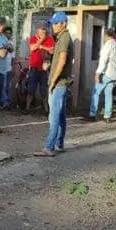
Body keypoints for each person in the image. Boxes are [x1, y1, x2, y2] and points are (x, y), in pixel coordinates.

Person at [35, 12, 74, 157]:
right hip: (61, 83)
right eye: (53, 23)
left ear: (63, 23)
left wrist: (52, 82)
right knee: (61, 115)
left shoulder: (64, 38)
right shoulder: (62, 37)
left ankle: (49, 147)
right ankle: (59, 144)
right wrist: (50, 66)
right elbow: (59, 60)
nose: (53, 26)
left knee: (54, 116)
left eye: (55, 23)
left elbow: (62, 61)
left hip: (58, 84)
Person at [87, 28, 116, 123]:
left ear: (106, 35)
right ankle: (107, 116)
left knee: (96, 92)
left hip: (105, 73)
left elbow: (103, 60)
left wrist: (98, 73)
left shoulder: (107, 45)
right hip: (113, 74)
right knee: (108, 94)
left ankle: (92, 114)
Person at [26, 22, 55, 113]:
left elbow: (52, 51)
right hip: (34, 67)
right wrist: (41, 40)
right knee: (31, 88)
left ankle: (46, 109)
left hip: (44, 68)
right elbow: (32, 48)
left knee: (44, 89)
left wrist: (42, 47)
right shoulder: (33, 38)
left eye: (44, 29)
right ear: (37, 30)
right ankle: (27, 108)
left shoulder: (50, 39)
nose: (43, 31)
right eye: (41, 29)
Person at [0, 27, 15, 109]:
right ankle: (5, 102)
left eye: (9, 33)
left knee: (8, 87)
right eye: (6, 33)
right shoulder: (1, 42)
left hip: (9, 68)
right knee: (3, 86)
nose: (8, 35)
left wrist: (13, 68)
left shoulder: (11, 43)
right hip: (2, 68)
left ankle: (5, 103)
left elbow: (12, 57)